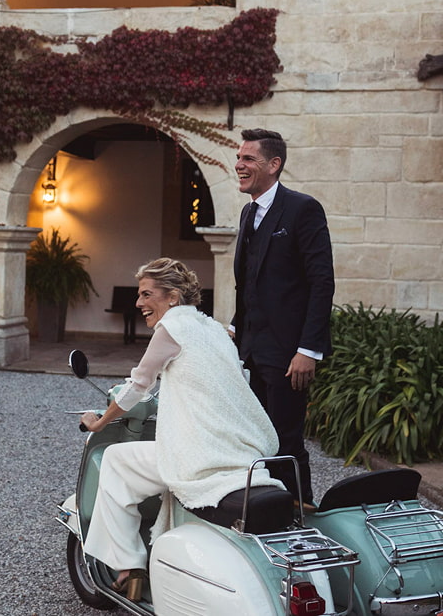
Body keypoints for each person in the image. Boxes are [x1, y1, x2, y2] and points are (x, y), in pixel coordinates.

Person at [80, 258, 283, 601]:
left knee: (114, 459)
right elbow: (230, 381)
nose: (138, 302)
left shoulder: (171, 328)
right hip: (238, 449)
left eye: (147, 294)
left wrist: (100, 421)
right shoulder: (215, 329)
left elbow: (138, 386)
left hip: (197, 453)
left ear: (172, 297)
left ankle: (129, 565)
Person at [231, 128, 335, 509]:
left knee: (286, 440)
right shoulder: (248, 212)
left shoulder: (302, 209)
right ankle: (267, 510)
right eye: (239, 158)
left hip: (290, 353)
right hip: (252, 351)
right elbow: (253, 284)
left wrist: (308, 349)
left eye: (248, 159)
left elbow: (321, 282)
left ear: (274, 165)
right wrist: (234, 327)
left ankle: (301, 515)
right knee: (257, 437)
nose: (239, 165)